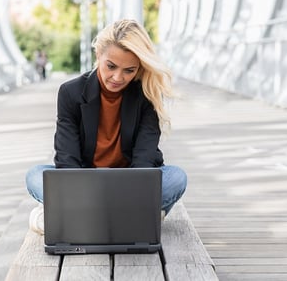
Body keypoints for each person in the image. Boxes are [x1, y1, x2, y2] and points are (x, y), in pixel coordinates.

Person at [26, 19, 187, 235]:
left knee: (176, 177)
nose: (118, 77)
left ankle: (71, 216)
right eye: (111, 66)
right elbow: (67, 160)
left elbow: (144, 161)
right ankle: (133, 217)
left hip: (129, 183)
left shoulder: (146, 96)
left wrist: (130, 191)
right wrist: (82, 191)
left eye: (129, 70)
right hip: (86, 182)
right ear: (98, 55)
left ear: (139, 68)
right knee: (35, 175)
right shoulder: (71, 93)